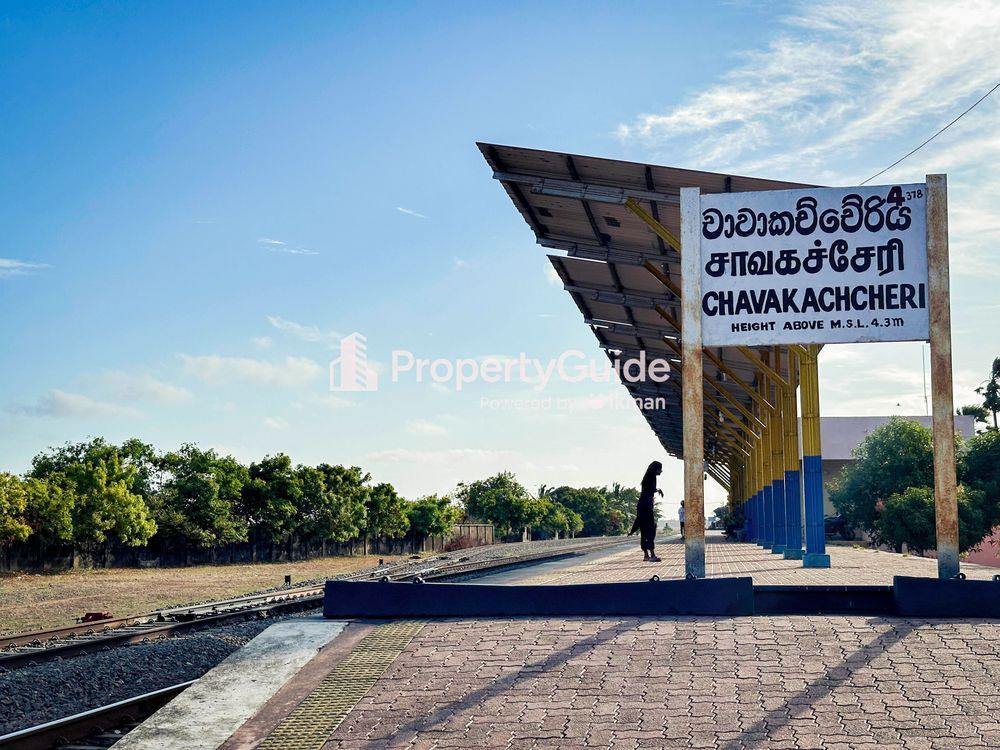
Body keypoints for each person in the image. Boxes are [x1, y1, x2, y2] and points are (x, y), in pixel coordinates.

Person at [629, 461, 663, 562]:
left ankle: (646, 555)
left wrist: (657, 490)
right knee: (650, 531)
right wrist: (658, 490)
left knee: (644, 531)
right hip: (646, 507)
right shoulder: (651, 477)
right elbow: (650, 490)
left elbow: (649, 490)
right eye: (660, 469)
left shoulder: (647, 477)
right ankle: (652, 555)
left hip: (642, 506)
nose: (661, 471)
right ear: (655, 469)